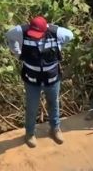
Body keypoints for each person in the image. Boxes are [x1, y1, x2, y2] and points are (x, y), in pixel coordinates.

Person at [5, 15, 75, 147]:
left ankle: (55, 128)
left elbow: (70, 35)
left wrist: (59, 47)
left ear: (45, 30)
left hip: (52, 78)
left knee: (53, 103)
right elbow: (9, 35)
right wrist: (17, 52)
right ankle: (30, 133)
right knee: (32, 107)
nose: (35, 36)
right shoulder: (22, 31)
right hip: (32, 79)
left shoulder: (55, 32)